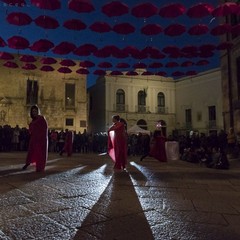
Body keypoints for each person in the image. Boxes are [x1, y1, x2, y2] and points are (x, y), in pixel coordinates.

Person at [22, 105, 48, 172]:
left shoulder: (41, 118)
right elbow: (31, 130)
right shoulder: (33, 120)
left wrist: (42, 138)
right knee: (31, 151)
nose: (34, 112)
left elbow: (45, 128)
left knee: (39, 153)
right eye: (33, 111)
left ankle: (40, 167)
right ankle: (27, 163)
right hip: (33, 138)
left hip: (40, 139)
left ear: (38, 111)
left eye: (35, 111)